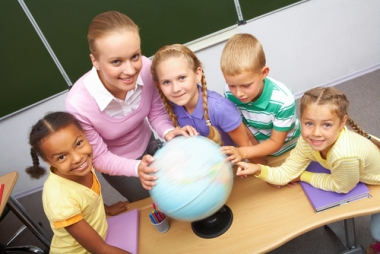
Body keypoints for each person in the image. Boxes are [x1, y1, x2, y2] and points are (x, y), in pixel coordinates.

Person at [65, 11, 197, 198]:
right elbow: (99, 157)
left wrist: (168, 131)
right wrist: (137, 168)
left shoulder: (145, 68)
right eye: (116, 61)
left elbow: (156, 112)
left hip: (149, 143)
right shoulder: (78, 105)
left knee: (178, 192)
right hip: (118, 165)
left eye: (134, 56)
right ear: (95, 61)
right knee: (149, 205)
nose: (130, 70)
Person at [234, 87, 380, 250]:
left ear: (342, 122)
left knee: (377, 233)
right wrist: (258, 169)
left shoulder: (344, 155)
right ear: (300, 119)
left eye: (326, 125)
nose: (316, 133)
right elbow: (285, 174)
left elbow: (343, 187)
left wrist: (304, 176)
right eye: (309, 123)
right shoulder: (306, 142)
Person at [25, 111, 131, 254]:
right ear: (48, 161)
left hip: (102, 236)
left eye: (79, 143)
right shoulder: (60, 200)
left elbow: (88, 198)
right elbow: (100, 249)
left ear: (84, 135)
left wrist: (108, 209)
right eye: (62, 157)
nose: (77, 158)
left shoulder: (81, 166)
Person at [150, 44, 265, 165]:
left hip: (235, 169)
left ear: (197, 74)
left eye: (182, 78)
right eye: (166, 82)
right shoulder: (171, 108)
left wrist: (266, 174)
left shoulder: (219, 108)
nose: (176, 88)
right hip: (207, 172)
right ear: (158, 85)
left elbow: (246, 146)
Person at [220, 33, 301, 167]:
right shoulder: (229, 93)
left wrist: (244, 152)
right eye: (232, 85)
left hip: (290, 149)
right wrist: (256, 156)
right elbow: (244, 127)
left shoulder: (283, 100)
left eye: (246, 85)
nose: (239, 93)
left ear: (263, 73)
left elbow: (276, 142)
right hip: (256, 148)